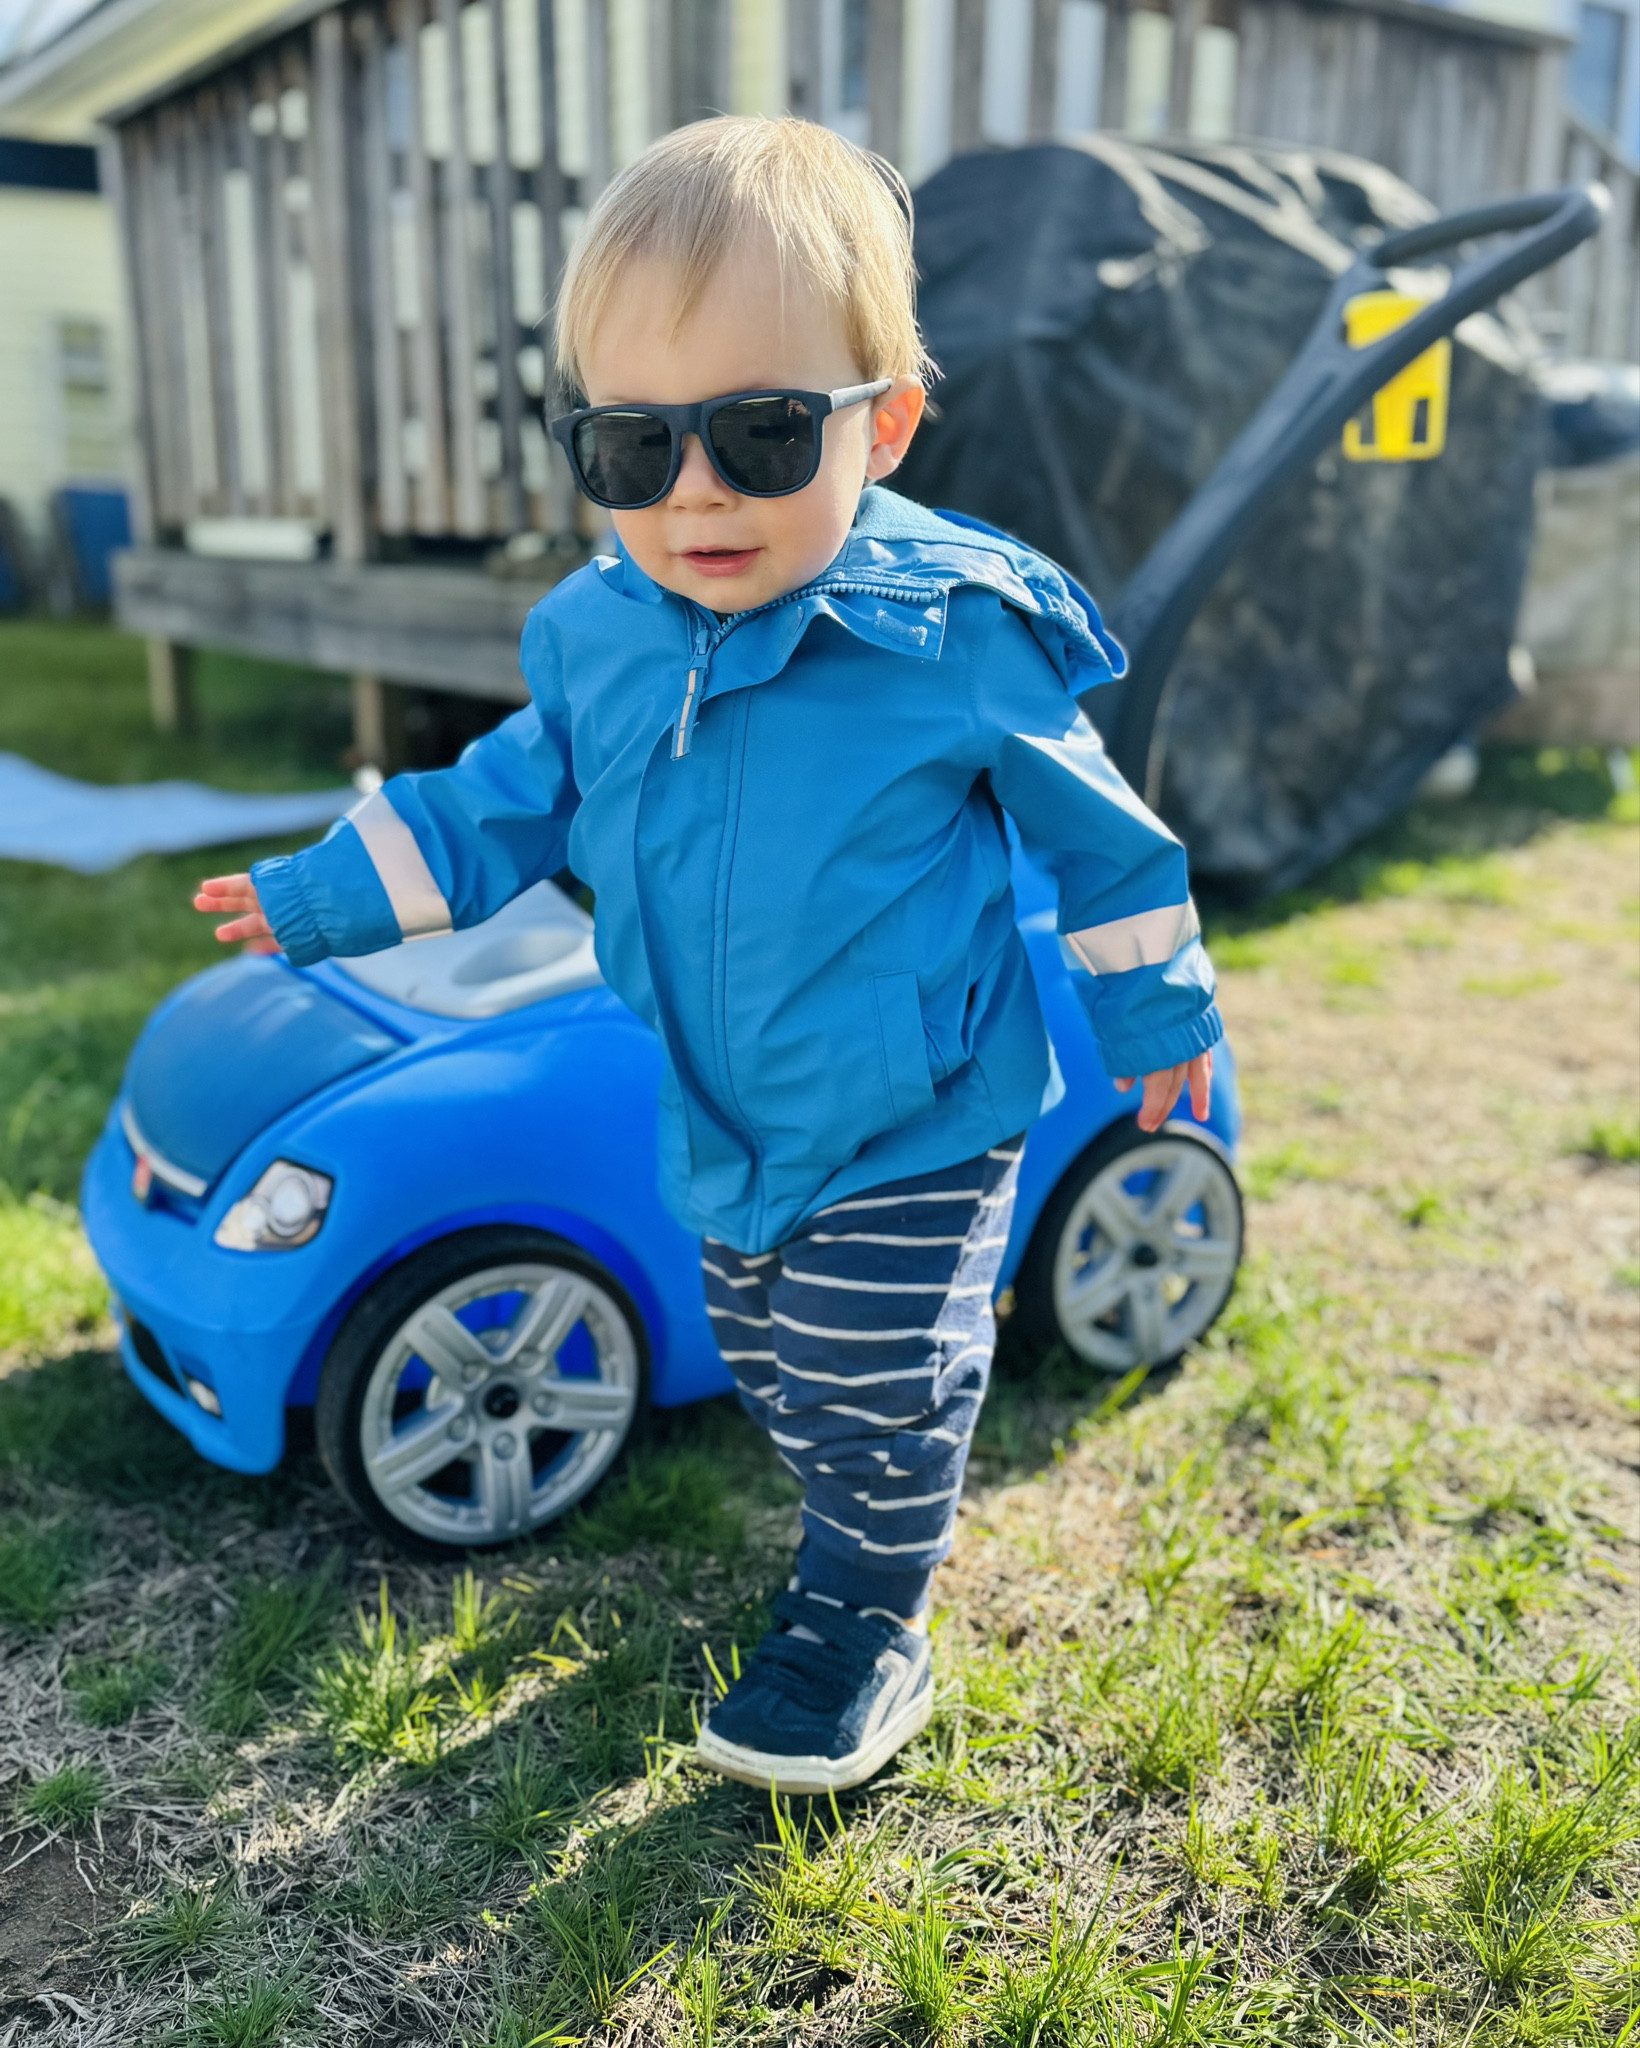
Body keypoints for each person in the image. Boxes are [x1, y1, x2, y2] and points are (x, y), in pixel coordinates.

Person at [195, 116, 1220, 1796]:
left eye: (758, 432)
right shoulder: (599, 635)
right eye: (633, 445)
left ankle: (862, 1622)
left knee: (872, 1376)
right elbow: (496, 807)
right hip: (717, 1105)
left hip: (917, 1106)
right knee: (762, 1351)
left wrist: (1158, 1002)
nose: (695, 493)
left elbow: (1105, 840)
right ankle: (849, 1506)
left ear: (879, 425)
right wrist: (321, 893)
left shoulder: (950, 635)